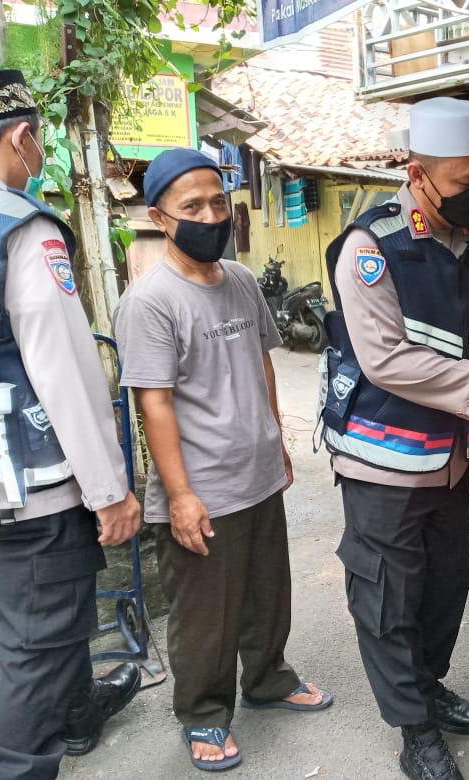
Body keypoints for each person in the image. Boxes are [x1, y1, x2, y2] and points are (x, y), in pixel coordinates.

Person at [321, 96, 469, 780]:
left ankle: (429, 683)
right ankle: (413, 729)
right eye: (462, 182)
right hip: (382, 458)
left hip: (448, 459)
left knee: (448, 582)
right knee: (388, 596)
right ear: (418, 175)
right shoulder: (372, 247)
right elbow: (385, 358)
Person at [113, 148, 333, 773]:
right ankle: (204, 714)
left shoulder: (237, 279)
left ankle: (267, 679)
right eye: (192, 207)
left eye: (217, 201)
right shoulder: (150, 301)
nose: (210, 215)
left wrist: (277, 440)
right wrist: (179, 496)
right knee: (205, 615)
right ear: (161, 218)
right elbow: (152, 404)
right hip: (201, 487)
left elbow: (264, 361)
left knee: (268, 593)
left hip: (258, 471)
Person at [0, 69, 143, 779]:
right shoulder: (19, 230)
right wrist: (110, 491)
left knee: (22, 637)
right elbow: (65, 371)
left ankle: (79, 712)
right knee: (33, 657)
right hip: (31, 489)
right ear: (21, 138)